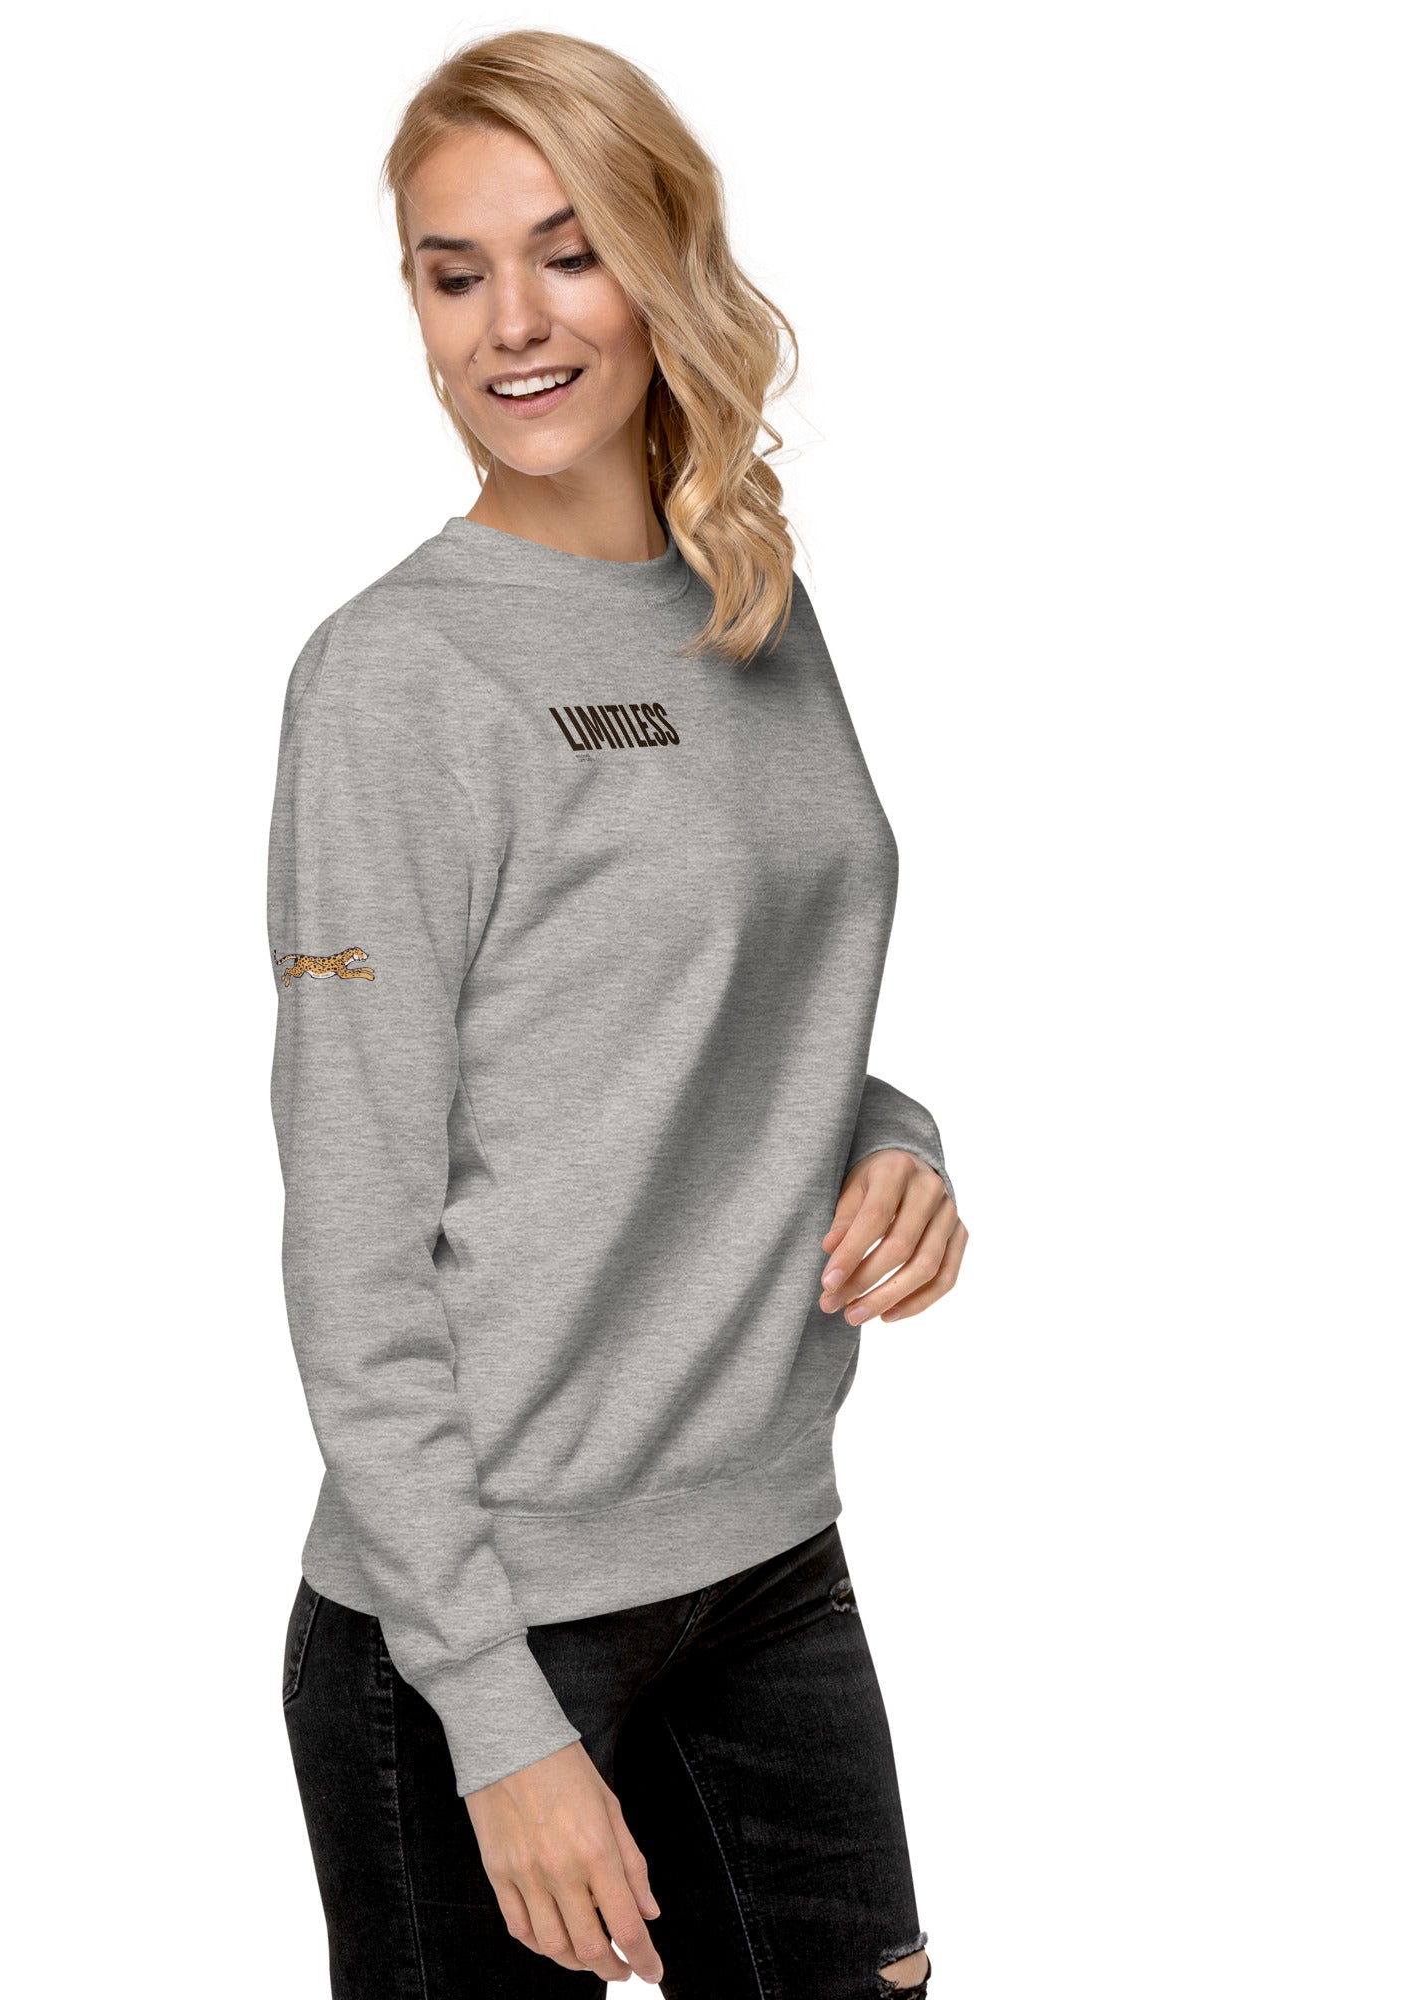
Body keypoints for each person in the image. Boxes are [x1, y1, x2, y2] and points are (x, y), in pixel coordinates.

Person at [268, 29, 967, 1999]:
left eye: (567, 252)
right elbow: (353, 1237)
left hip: (768, 1564)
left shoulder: (752, 603)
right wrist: (492, 1716)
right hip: (481, 1611)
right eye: (453, 270)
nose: (510, 322)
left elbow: (702, 1026)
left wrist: (894, 1144)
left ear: (663, 260)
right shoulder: (396, 681)